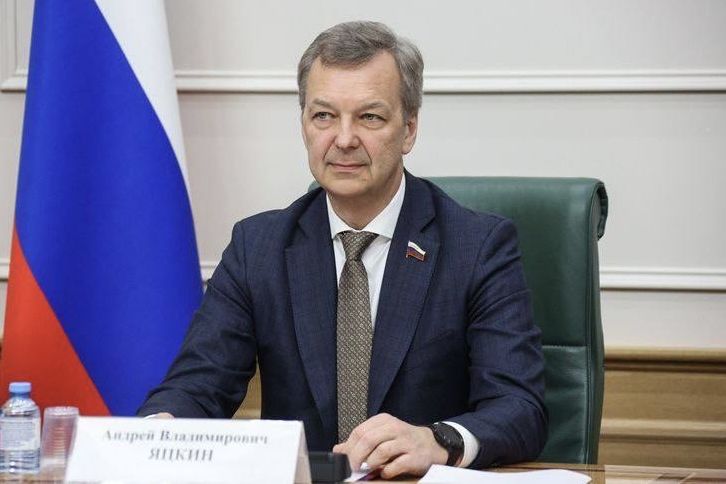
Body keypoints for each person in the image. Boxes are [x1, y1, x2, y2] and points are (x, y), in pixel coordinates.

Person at [138, 21, 547, 478]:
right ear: (304, 125)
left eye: (369, 117)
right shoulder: (258, 248)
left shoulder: (478, 247)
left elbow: (519, 408)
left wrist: (437, 440)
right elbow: (197, 385)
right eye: (324, 116)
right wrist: (159, 430)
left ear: (409, 129)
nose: (344, 139)